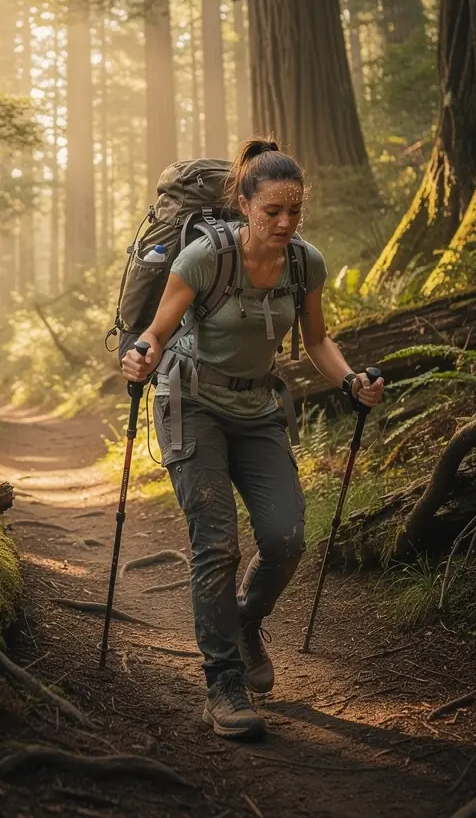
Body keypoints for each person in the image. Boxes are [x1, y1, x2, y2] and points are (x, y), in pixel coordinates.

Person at [120, 139, 385, 740]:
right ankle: (222, 684)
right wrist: (139, 357)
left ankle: (244, 623)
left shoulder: (304, 263)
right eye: (273, 212)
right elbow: (157, 333)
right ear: (243, 205)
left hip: (257, 405)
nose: (286, 223)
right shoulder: (201, 259)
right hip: (190, 404)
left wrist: (351, 382)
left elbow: (317, 340)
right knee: (216, 543)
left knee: (286, 535)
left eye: (295, 211)